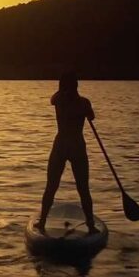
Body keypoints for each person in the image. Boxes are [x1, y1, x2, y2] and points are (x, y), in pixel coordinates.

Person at [36, 72, 99, 234]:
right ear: (77, 86)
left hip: (62, 145)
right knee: (82, 188)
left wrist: (63, 91)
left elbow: (53, 98)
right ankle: (91, 225)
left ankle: (42, 222)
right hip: (77, 145)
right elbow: (91, 117)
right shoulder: (84, 102)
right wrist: (84, 111)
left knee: (52, 186)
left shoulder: (59, 100)